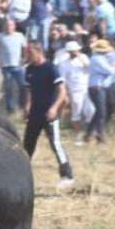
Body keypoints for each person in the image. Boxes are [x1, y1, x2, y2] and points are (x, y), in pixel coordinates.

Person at [23, 42, 75, 188]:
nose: (28, 56)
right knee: (27, 146)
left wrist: (54, 108)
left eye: (30, 53)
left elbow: (62, 91)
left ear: (39, 52)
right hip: (35, 114)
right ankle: (22, 175)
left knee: (56, 144)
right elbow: (29, 91)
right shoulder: (29, 69)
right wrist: (27, 107)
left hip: (49, 114)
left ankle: (67, 175)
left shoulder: (51, 68)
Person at [85, 39, 115, 144]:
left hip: (98, 88)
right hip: (96, 87)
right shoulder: (97, 59)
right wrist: (114, 65)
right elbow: (110, 71)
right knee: (102, 112)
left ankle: (89, 134)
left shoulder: (100, 58)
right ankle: (99, 135)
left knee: (101, 112)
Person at [0, 19, 27, 115]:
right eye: (7, 25)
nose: (9, 27)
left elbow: (25, 47)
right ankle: (10, 108)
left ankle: (22, 105)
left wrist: (24, 58)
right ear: (4, 26)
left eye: (11, 25)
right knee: (8, 87)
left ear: (14, 26)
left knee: (23, 85)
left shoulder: (20, 36)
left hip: (18, 65)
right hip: (5, 65)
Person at [58, 40, 93, 138]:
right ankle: (78, 134)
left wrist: (80, 57)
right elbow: (63, 80)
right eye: (72, 51)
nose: (74, 52)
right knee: (76, 112)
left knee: (90, 110)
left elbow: (89, 67)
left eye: (75, 50)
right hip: (74, 90)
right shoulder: (64, 64)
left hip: (87, 88)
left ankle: (88, 132)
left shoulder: (84, 58)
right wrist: (65, 94)